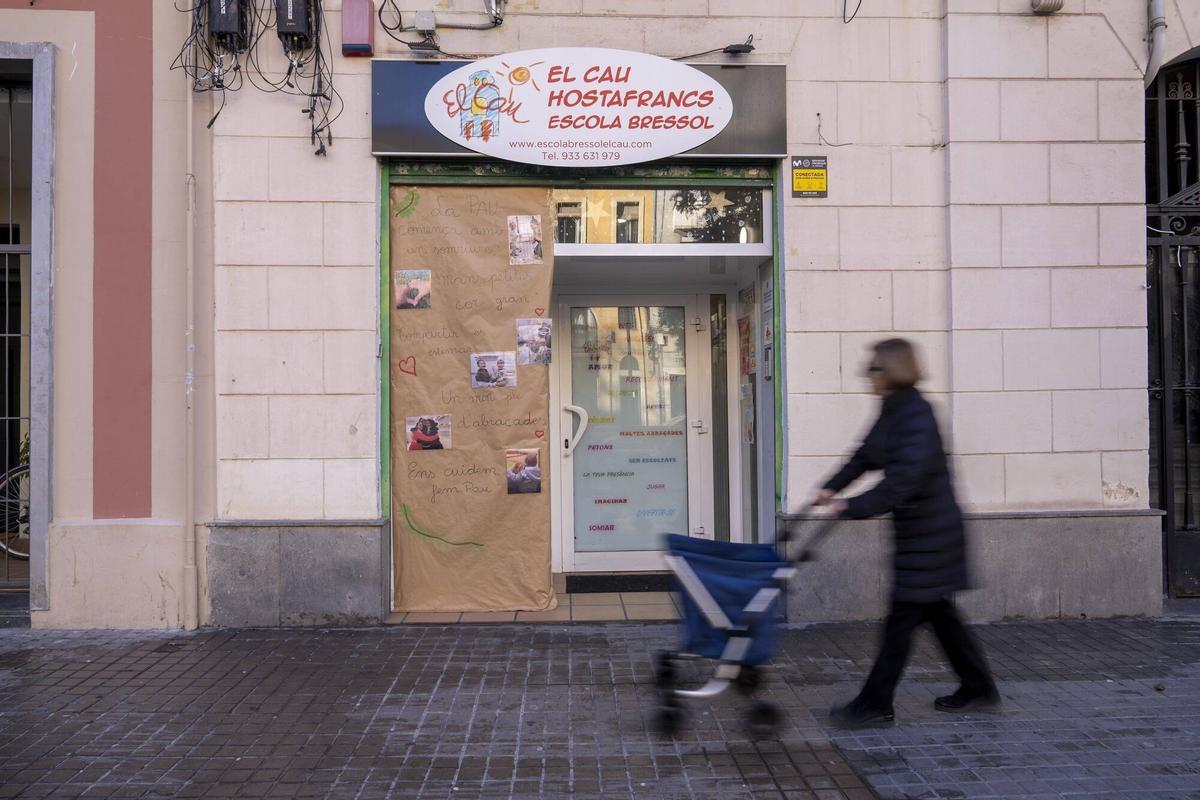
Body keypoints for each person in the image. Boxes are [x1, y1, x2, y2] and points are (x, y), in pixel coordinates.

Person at [813, 338, 998, 729]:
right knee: (942, 618)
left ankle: (875, 703)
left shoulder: (917, 414)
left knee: (900, 623)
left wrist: (852, 507)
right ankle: (979, 687)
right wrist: (831, 487)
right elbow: (866, 455)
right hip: (920, 537)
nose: (867, 375)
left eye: (874, 368)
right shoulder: (894, 409)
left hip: (932, 539)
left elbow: (902, 483)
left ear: (892, 370)